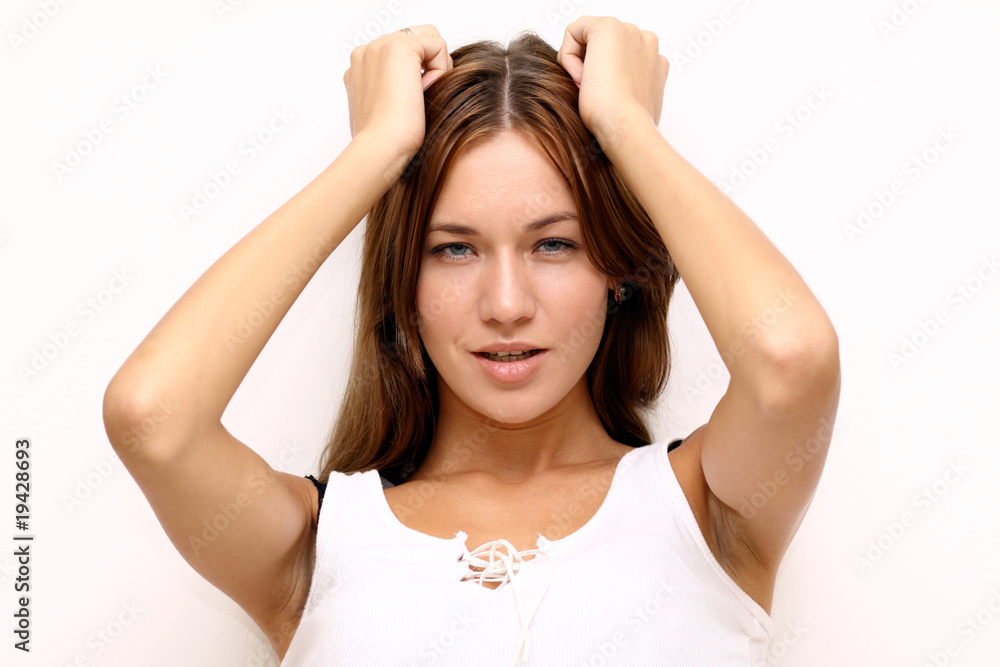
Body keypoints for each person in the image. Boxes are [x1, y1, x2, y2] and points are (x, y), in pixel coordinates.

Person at [103, 16, 840, 666]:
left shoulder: (710, 509)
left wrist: (626, 127)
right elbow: (152, 417)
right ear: (404, 282)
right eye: (453, 249)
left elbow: (790, 357)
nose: (507, 305)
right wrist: (376, 152)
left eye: (554, 245)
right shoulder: (312, 546)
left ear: (616, 266)